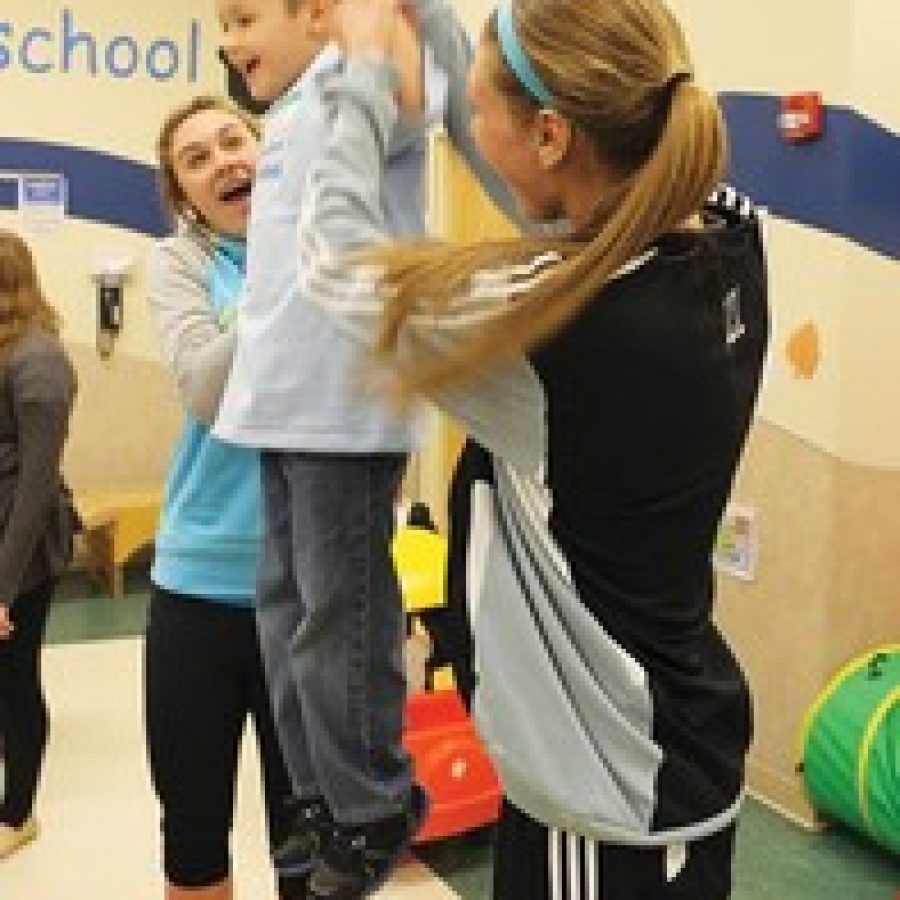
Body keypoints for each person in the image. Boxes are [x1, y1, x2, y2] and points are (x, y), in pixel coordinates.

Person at [296, 0, 771, 897]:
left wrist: (359, 73)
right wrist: (431, 21)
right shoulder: (730, 235)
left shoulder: (556, 334)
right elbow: (575, 219)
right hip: (666, 740)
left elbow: (332, 266)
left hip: (607, 787)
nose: (467, 128)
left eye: (478, 112)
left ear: (552, 136)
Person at [211, 2, 518, 897]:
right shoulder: (293, 111)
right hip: (279, 407)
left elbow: (442, 75)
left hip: (341, 411)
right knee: (281, 608)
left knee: (337, 614)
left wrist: (390, 22)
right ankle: (318, 793)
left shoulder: (367, 80)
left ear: (317, 15)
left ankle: (372, 800)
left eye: (242, 18)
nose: (229, 42)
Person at [146, 95, 307, 900]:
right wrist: (282, 276)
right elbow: (209, 392)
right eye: (196, 160)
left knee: (314, 845)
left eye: (232, 141)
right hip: (197, 589)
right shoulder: (181, 264)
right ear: (182, 195)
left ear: (266, 148)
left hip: (310, 591)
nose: (223, 163)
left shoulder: (331, 243)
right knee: (195, 836)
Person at [0, 230, 77, 860]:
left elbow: (35, 484)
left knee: (13, 679)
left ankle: (18, 812)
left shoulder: (39, 360)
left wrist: (3, 586)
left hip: (19, 548)